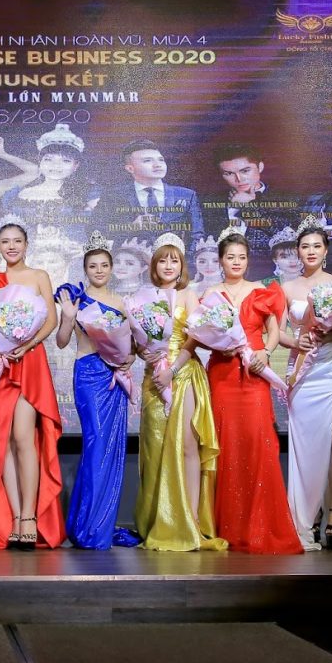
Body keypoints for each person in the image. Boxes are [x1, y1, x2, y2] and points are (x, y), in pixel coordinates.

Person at [204, 228, 302, 554]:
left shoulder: (261, 290)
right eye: (230, 257)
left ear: (248, 260)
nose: (236, 262)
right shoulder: (211, 294)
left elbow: (274, 331)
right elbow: (201, 335)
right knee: (226, 444)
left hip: (255, 374)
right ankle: (227, 527)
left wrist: (265, 352)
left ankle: (260, 525)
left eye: (242, 257)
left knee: (259, 444)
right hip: (222, 375)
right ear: (221, 261)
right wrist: (219, 344)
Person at [0, 219, 64, 550]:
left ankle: (29, 515)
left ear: (26, 245)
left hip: (30, 362)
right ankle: (13, 516)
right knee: (5, 439)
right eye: (5, 241)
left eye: (17, 241)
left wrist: (27, 344)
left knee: (24, 437)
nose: (11, 246)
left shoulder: (39, 276)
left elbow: (51, 319)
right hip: (2, 364)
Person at [135, 233, 227, 552]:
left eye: (174, 260)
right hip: (153, 378)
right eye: (163, 260)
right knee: (156, 447)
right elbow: (137, 340)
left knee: (187, 445)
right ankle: (156, 520)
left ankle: (191, 518)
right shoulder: (142, 297)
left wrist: (171, 370)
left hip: (183, 373)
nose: (168, 265)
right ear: (154, 264)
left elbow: (195, 338)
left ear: (182, 265)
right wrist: (145, 354)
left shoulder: (189, 295)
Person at [54, 232, 138, 550]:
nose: (99, 270)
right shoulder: (76, 299)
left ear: (111, 268)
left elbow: (133, 347)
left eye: (104, 265)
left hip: (113, 378)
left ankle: (98, 522)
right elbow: (62, 341)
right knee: (96, 443)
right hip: (88, 374)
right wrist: (68, 318)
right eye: (93, 266)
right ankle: (87, 525)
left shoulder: (122, 302)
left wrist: (128, 359)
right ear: (85, 269)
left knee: (111, 447)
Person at [279, 221, 332, 551]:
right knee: (306, 444)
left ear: (326, 250)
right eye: (305, 246)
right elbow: (278, 333)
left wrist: (330, 332)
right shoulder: (287, 287)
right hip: (302, 369)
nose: (310, 251)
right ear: (298, 252)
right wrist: (297, 340)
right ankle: (308, 512)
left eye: (316, 246)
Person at [204, 144, 297, 277]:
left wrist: (248, 206)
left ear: (260, 167)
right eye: (229, 173)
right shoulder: (211, 201)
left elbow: (286, 234)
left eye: (245, 171)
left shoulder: (284, 197)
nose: (239, 179)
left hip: (268, 276)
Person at [0, 124, 98, 236]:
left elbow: (98, 225)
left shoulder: (89, 192)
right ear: (40, 161)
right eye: (48, 159)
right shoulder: (15, 195)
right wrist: (3, 154)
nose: (56, 165)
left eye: (66, 161)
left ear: (75, 166)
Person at [97, 139, 203, 248]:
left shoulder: (187, 195)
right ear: (130, 168)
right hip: (128, 257)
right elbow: (96, 232)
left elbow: (196, 236)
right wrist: (131, 227)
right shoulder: (112, 196)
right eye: (147, 161)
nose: (157, 165)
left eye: (161, 160)